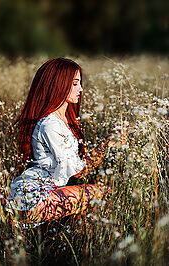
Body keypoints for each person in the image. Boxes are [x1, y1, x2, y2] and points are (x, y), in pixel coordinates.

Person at [6, 58, 112, 229]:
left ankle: (59, 245)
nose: (81, 89)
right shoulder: (51, 125)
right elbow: (79, 173)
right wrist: (108, 144)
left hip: (38, 194)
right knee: (101, 193)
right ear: (59, 85)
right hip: (34, 199)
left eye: (80, 83)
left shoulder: (61, 119)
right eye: (75, 83)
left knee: (84, 201)